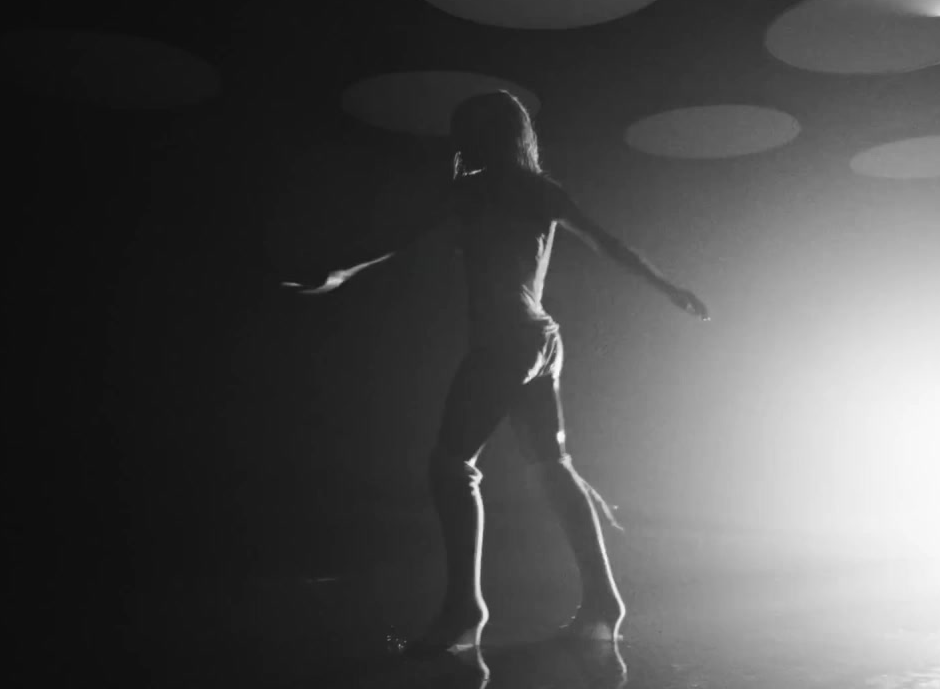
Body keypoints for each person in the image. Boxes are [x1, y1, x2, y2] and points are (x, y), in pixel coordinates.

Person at [283, 90, 709, 655]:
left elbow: (396, 239)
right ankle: (603, 601)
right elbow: (610, 246)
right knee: (552, 465)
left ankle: (465, 609)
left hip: (505, 342)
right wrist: (670, 289)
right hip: (543, 339)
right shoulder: (540, 189)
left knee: (451, 467)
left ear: (478, 136)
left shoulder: (472, 188)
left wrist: (339, 272)